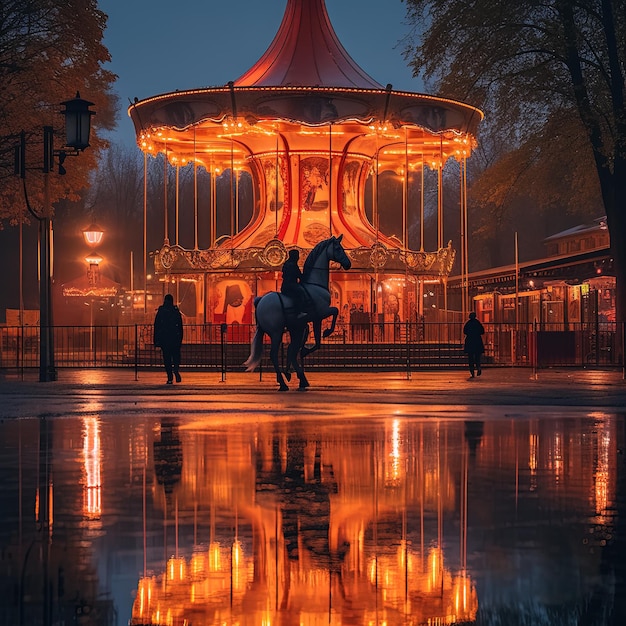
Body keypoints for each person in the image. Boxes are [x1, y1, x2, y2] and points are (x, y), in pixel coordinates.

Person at [154, 294, 183, 384]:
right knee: (176, 356)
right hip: (174, 338)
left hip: (165, 338)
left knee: (167, 358)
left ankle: (170, 376)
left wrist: (156, 340)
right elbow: (180, 326)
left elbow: (157, 326)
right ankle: (176, 369)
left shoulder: (161, 311)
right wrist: (180, 338)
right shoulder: (175, 311)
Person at [281, 249, 311, 319]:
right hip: (291, 285)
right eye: (297, 256)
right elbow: (299, 275)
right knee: (301, 292)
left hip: (285, 285)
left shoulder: (287, 263)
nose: (298, 257)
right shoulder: (292, 265)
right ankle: (299, 311)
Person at [463, 311, 485, 378]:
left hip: (470, 341)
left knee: (470, 358)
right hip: (477, 341)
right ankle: (478, 367)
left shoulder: (468, 324)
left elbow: (465, 331)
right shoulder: (478, 323)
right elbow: (482, 331)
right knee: (477, 357)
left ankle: (472, 371)